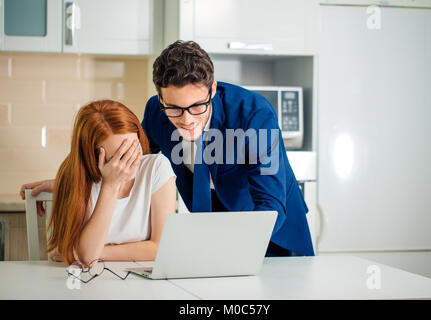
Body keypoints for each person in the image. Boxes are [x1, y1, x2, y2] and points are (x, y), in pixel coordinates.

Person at [20, 40, 314, 257]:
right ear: (160, 97)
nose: (186, 120)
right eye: (174, 108)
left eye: (197, 106)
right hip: (211, 231)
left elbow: (271, 208)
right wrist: (73, 181)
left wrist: (232, 249)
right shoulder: (157, 114)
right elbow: (132, 166)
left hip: (274, 239)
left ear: (212, 89)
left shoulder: (254, 117)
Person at [21, 100, 176, 266]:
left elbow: (160, 247)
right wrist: (110, 185)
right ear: (93, 158)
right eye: (119, 157)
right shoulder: (81, 180)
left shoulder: (157, 167)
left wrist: (95, 252)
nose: (130, 163)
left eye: (133, 149)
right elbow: (88, 256)